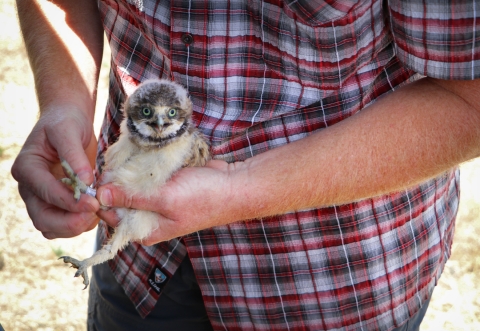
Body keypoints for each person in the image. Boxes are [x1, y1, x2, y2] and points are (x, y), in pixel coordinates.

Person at [11, 0, 480, 330]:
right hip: (142, 264)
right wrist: (64, 100)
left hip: (333, 281)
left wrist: (238, 188)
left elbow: (469, 103)